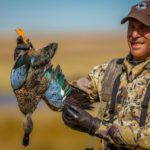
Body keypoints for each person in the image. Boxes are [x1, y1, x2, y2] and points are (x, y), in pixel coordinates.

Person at [62, 1, 150, 150]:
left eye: (144, 28)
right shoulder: (110, 71)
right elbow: (64, 96)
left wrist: (96, 126)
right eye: (131, 27)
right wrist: (31, 64)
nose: (135, 34)